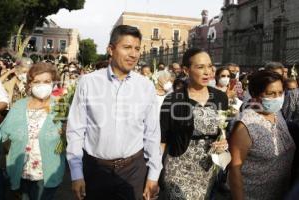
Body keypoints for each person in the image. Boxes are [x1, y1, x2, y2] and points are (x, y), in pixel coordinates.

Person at [66, 25, 162, 200]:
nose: (133, 54)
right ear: (111, 49)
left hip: (133, 170)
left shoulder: (145, 86)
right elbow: (76, 130)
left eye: (137, 48)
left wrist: (153, 175)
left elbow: (152, 133)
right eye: (127, 47)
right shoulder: (88, 83)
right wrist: (76, 173)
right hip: (95, 170)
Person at [160, 48, 229, 199]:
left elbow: (223, 130)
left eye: (210, 66)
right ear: (186, 70)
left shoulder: (220, 97)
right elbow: (162, 140)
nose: (207, 72)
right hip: (179, 169)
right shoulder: (173, 100)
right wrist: (154, 174)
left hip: (208, 169)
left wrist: (223, 142)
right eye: (200, 67)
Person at [0, 62, 65, 200]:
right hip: (20, 172)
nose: (42, 85)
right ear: (30, 84)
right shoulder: (19, 106)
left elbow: (69, 135)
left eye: (47, 81)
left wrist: (65, 134)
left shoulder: (60, 106)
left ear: (53, 83)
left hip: (46, 175)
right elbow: (2, 133)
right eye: (37, 81)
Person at [229, 70, 295, 200]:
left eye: (280, 93)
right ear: (255, 94)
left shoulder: (277, 114)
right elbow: (234, 169)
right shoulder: (245, 125)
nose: (277, 98)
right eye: (271, 94)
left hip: (281, 192)